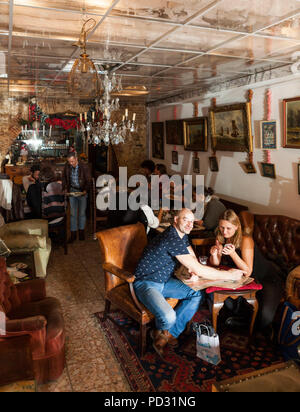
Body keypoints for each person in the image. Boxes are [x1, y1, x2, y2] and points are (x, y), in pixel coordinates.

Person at [133, 208, 245, 357]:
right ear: (175, 220)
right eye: (185, 219)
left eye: (192, 221)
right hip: (146, 283)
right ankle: (160, 331)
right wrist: (229, 275)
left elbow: (191, 257)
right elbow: (199, 268)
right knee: (168, 317)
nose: (189, 224)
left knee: (196, 294)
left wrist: (192, 269)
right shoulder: (171, 237)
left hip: (164, 281)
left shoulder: (181, 235)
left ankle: (168, 334)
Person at [209, 209, 284, 337]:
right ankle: (238, 321)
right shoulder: (221, 236)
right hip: (243, 279)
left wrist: (233, 254)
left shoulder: (245, 239)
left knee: (264, 318)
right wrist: (214, 254)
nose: (224, 231)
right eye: (221, 227)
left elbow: (248, 271)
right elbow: (216, 264)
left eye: (228, 228)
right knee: (227, 305)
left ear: (237, 227)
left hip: (266, 277)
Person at [62, 152, 91, 242]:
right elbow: (64, 178)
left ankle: (81, 232)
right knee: (73, 214)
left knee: (82, 213)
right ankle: (73, 234)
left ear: (76, 159)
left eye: (73, 161)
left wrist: (85, 190)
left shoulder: (84, 166)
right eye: (69, 162)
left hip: (82, 191)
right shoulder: (67, 166)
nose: (71, 164)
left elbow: (88, 180)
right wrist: (65, 188)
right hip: (72, 191)